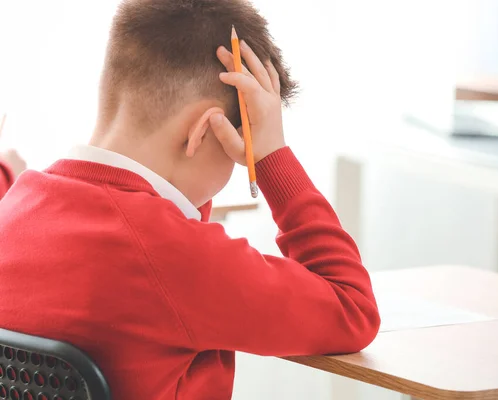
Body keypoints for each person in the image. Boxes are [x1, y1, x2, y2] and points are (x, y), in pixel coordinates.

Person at [0, 0, 380, 398]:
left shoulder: (17, 206)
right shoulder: (172, 255)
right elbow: (352, 308)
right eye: (243, 151)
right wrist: (272, 159)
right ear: (204, 130)